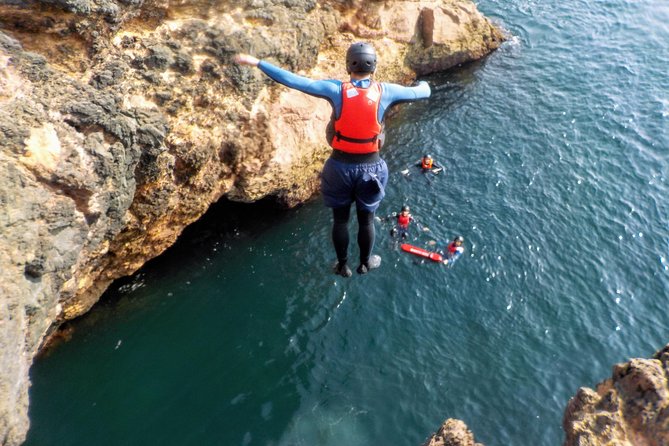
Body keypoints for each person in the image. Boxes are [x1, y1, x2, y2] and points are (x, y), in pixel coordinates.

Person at [234, 43, 431, 277]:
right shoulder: (386, 91)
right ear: (374, 66)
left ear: (349, 65)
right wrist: (424, 84)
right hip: (372, 169)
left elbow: (296, 81)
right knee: (366, 221)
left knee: (340, 221)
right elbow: (423, 92)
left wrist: (258, 62)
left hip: (338, 167)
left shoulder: (335, 89)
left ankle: (342, 265)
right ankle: (365, 263)